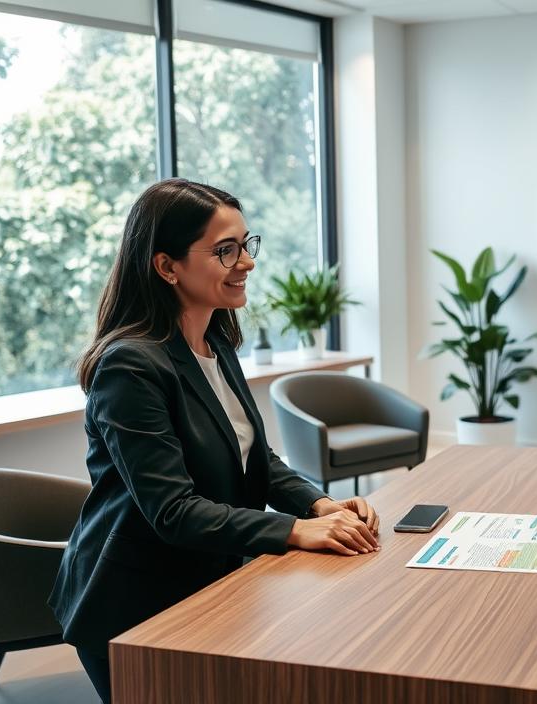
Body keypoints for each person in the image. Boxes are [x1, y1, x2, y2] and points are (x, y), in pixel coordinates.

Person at [49, 179, 381, 703]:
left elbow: (257, 460)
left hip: (213, 577)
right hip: (138, 602)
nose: (246, 262)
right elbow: (173, 511)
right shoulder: (130, 365)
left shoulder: (216, 342)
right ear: (167, 266)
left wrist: (319, 504)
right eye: (225, 251)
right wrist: (294, 530)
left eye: (246, 245)